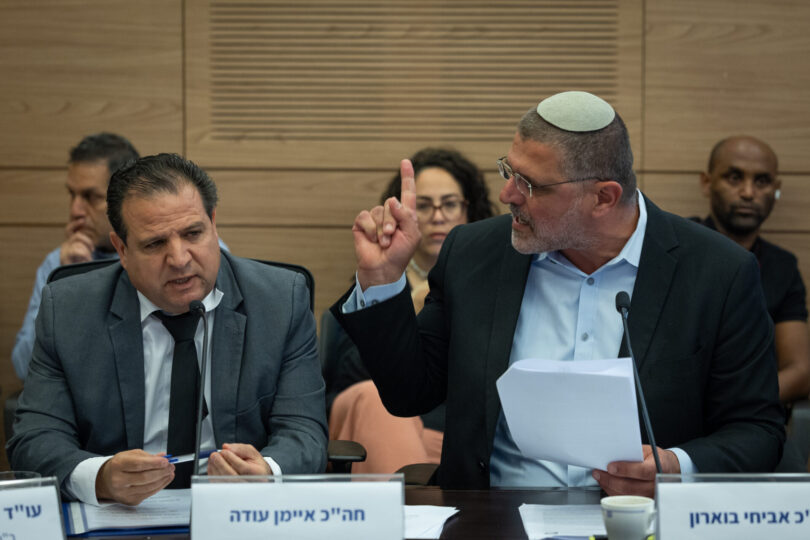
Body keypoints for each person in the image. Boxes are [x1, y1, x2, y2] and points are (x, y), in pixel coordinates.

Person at [331, 91, 785, 497]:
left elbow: (757, 430)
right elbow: (409, 393)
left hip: (637, 520)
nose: (507, 194)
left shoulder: (718, 274)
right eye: (509, 171)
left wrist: (675, 466)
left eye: (529, 184)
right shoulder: (474, 253)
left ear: (603, 198)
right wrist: (382, 280)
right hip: (491, 518)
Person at [7, 153, 327, 505]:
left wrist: (266, 471)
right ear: (122, 250)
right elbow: (35, 439)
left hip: (240, 510)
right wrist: (99, 477)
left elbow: (305, 433)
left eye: (193, 233)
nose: (179, 259)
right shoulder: (68, 310)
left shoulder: (280, 301)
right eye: (155, 243)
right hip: (119, 512)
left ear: (213, 224)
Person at [326, 148, 496, 473]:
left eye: (449, 203)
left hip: (451, 433)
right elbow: (349, 376)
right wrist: (404, 315)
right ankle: (406, 505)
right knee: (375, 400)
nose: (437, 216)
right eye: (424, 205)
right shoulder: (376, 281)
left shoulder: (494, 287)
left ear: (470, 210)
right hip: (372, 416)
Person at [11, 133, 139, 380]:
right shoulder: (57, 264)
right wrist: (68, 285)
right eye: (72, 195)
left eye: (91, 197)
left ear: (128, 197)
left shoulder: (157, 257)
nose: (75, 210)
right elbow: (23, 367)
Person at [697, 136, 810, 405]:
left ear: (776, 189)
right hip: (675, 417)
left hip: (750, 416)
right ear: (707, 183)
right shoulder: (675, 247)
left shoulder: (782, 267)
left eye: (762, 181)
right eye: (734, 178)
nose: (748, 193)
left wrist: (737, 407)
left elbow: (800, 372)